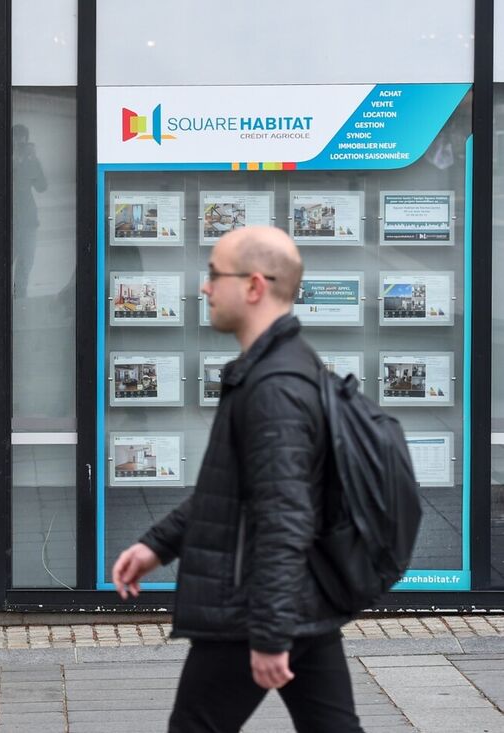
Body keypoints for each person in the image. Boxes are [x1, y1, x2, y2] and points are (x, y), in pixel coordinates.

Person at [112, 226, 363, 733]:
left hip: (250, 603)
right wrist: (158, 545)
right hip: (299, 598)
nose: (204, 287)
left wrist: (270, 635)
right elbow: (235, 491)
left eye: (213, 274)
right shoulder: (283, 368)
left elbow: (283, 519)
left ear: (253, 286)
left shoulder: (275, 388)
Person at [11, 123, 47, 299]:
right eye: (15, 140)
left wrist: (32, 163)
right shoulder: (4, 159)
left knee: (25, 265)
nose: (18, 144)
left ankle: (19, 302)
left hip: (28, 221)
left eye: (22, 141)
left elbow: (42, 186)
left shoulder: (30, 160)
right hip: (8, 221)